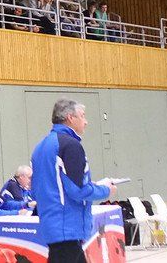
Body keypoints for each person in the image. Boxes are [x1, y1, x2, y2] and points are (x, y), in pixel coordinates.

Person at [31, 98, 117, 263]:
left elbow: (36, 191)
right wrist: (106, 190)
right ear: (70, 117)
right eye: (82, 116)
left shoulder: (40, 147)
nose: (86, 121)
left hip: (53, 227)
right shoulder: (70, 146)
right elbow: (78, 190)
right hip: (67, 228)